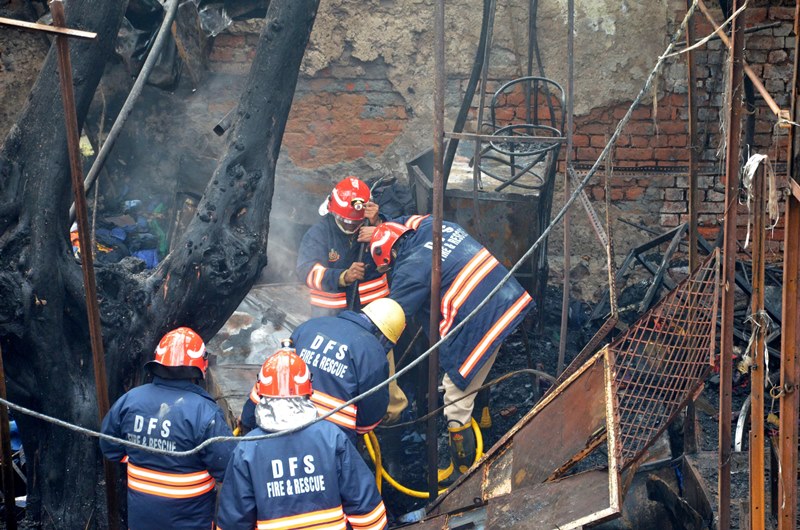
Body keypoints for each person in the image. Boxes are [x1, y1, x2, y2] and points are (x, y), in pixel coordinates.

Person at [370, 215, 534, 483]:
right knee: (478, 368)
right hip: (506, 297)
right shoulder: (434, 225)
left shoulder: (410, 269)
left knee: (455, 397)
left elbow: (391, 318)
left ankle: (462, 474)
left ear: (393, 255)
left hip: (482, 321)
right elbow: (410, 218)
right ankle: (484, 420)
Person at [217, 348, 388, 530]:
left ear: (260, 392)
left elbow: (233, 521)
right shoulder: (331, 437)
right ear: (309, 390)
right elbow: (366, 509)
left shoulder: (248, 449)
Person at [100, 327, 236, 530]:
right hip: (191, 522)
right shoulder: (205, 412)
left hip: (141, 522)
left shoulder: (130, 400)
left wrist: (145, 457)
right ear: (201, 365)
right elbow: (228, 468)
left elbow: (109, 447)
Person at [239, 298, 407, 442]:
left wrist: (247, 420)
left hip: (278, 424)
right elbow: (368, 419)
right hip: (332, 442)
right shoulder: (374, 353)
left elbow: (273, 375)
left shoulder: (309, 327)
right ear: (384, 337)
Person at [296, 176, 389, 316]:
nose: (350, 226)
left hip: (375, 312)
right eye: (346, 221)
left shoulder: (376, 224)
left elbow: (402, 248)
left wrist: (379, 229)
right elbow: (306, 271)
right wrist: (343, 276)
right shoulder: (318, 234)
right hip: (331, 314)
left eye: (356, 222)